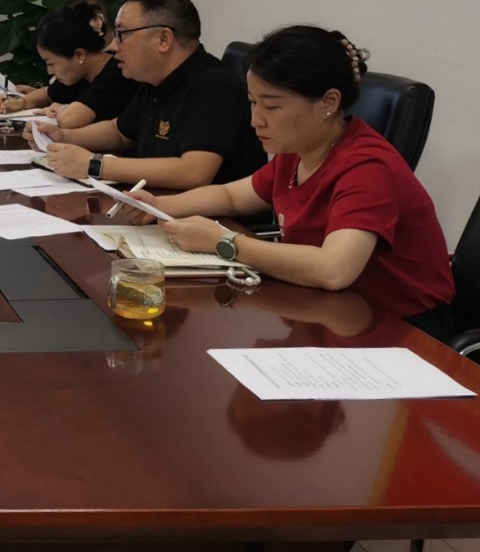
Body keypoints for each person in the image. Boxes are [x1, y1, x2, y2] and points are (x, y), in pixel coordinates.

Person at [117, 26, 457, 339]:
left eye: (272, 106)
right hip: (328, 311)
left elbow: (334, 269)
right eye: (253, 102)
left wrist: (224, 241)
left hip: (401, 332)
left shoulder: (367, 167)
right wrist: (158, 205)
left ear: (329, 102)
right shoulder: (299, 149)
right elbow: (232, 196)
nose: (255, 120)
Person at [36, 0, 266, 188]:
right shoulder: (154, 78)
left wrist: (95, 165)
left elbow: (194, 172)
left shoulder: (214, 86)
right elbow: (119, 132)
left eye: (122, 34)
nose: (113, 46)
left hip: (206, 218)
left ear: (163, 39)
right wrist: (63, 136)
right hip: (155, 204)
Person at [0, 0, 139, 128]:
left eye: (51, 63)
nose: (49, 71)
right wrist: (21, 102)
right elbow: (47, 93)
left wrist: (60, 108)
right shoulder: (80, 73)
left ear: (79, 55)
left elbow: (69, 120)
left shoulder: (116, 73)